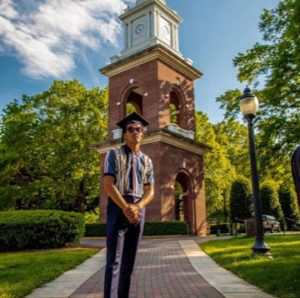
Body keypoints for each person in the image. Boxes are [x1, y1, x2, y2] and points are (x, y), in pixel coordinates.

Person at [103, 112, 155, 298]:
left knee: (129, 262)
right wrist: (126, 207)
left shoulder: (147, 161)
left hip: (138, 208)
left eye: (139, 129)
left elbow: (150, 191)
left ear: (143, 134)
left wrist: (137, 207)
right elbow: (108, 183)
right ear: (124, 134)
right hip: (118, 206)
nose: (136, 132)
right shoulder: (113, 154)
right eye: (131, 129)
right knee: (114, 261)